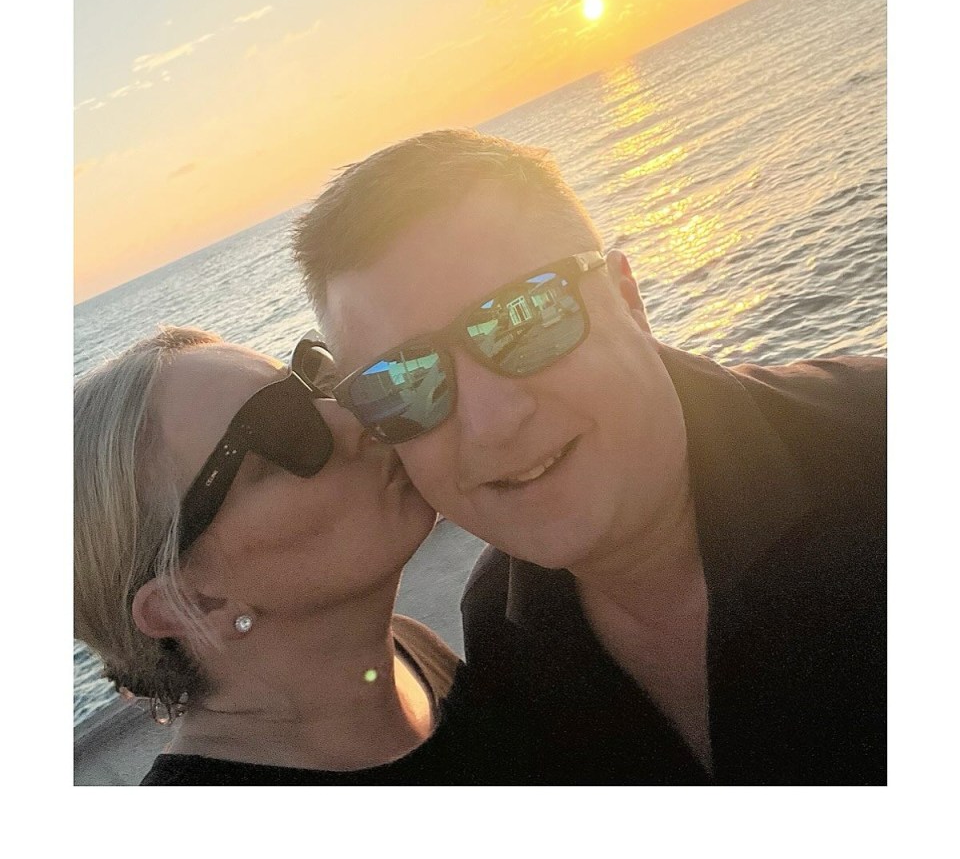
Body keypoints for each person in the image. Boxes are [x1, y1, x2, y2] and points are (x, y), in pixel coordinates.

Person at [291, 128, 886, 784]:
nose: (491, 423)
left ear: (628, 298)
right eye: (402, 383)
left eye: (526, 317)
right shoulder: (503, 631)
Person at [73, 325, 559, 784]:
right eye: (284, 432)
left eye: (317, 382)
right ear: (196, 600)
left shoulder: (405, 652)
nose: (353, 417)